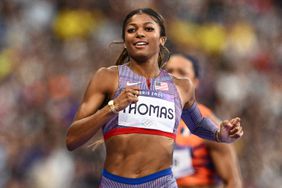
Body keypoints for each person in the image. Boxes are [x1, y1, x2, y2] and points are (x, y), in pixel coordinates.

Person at [66, 8, 243, 188]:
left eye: (148, 29)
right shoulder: (106, 78)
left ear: (162, 39)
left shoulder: (182, 87)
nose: (139, 33)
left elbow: (196, 125)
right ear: (125, 41)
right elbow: (72, 140)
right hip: (116, 183)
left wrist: (218, 134)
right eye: (131, 30)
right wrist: (112, 108)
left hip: (161, 183)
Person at [166, 54, 243, 188]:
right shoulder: (148, 116)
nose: (174, 77)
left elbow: (232, 182)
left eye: (182, 72)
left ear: (195, 82)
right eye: (169, 71)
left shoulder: (210, 124)